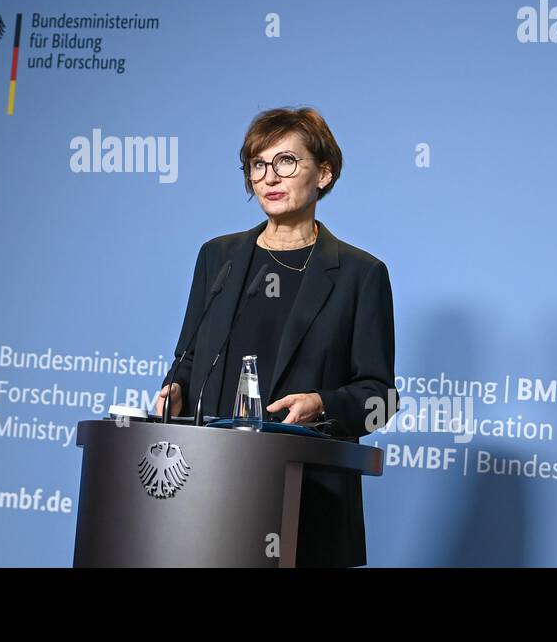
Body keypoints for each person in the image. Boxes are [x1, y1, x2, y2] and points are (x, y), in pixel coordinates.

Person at [154, 106, 395, 566]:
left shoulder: (360, 275)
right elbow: (187, 358)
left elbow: (379, 397)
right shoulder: (217, 258)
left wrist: (321, 405)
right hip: (211, 492)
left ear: (323, 173)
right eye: (258, 164)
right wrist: (176, 391)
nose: (269, 177)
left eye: (286, 161)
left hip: (307, 502)